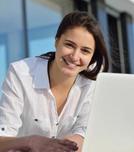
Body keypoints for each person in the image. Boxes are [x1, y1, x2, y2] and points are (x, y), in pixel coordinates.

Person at [0, 11, 109, 152]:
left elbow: (84, 129)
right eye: (69, 45)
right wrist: (31, 142)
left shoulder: (93, 83)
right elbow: (2, 138)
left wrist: (76, 140)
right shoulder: (21, 73)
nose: (75, 56)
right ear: (57, 41)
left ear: (92, 56)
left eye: (85, 51)